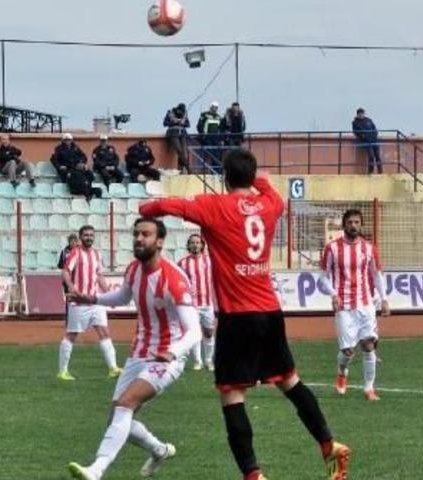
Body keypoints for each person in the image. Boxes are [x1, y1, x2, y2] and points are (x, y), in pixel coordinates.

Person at [140, 149, 350, 480]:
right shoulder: (269, 205)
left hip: (238, 316)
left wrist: (146, 208)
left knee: (232, 394)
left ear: (224, 178)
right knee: (290, 381)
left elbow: (168, 206)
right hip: (270, 311)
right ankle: (328, 444)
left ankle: (253, 475)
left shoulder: (213, 206)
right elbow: (271, 191)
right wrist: (258, 179)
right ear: (251, 178)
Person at [66, 218, 201, 480]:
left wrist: (173, 352)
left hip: (166, 358)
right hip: (138, 353)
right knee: (117, 417)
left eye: (146, 234)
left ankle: (96, 469)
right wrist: (92, 298)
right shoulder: (133, 269)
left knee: (126, 404)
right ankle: (159, 449)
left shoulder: (174, 279)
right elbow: (122, 297)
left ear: (160, 241)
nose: (139, 239)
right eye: (136, 234)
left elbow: (194, 330)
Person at [319, 209, 389, 401]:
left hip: (365, 304)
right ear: (344, 225)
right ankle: (342, 372)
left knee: (368, 345)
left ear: (361, 224)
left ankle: (369, 389)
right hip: (344, 306)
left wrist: (384, 298)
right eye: (350, 222)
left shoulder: (369, 248)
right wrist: (333, 293)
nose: (353, 226)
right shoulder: (332, 248)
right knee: (347, 351)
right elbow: (323, 278)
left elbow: (377, 275)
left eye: (357, 222)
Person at [58, 225, 121, 381]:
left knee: (104, 332)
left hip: (95, 301)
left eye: (91, 235)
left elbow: (99, 276)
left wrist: (109, 295)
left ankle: (113, 368)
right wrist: (72, 288)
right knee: (71, 335)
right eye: (86, 235)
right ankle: (62, 371)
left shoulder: (96, 254)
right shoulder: (75, 253)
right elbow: (65, 271)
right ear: (80, 237)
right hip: (79, 302)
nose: (89, 237)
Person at [177, 233, 216, 371]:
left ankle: (208, 360)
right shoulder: (182, 263)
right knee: (194, 332)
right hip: (191, 304)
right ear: (188, 245)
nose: (195, 245)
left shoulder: (210, 261)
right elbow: (178, 282)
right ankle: (198, 361)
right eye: (192, 242)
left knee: (209, 332)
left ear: (202, 245)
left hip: (207, 303)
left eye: (197, 242)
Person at [351, 108, 382, 174]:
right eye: (360, 114)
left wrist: (375, 134)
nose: (362, 115)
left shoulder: (369, 120)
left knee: (378, 156)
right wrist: (363, 136)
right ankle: (370, 172)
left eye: (363, 113)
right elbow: (356, 132)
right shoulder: (355, 122)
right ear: (357, 114)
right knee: (371, 156)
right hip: (366, 142)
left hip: (374, 140)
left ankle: (380, 172)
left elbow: (374, 128)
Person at [163, 103, 191, 173]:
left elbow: (188, 124)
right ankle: (188, 168)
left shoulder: (184, 114)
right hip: (173, 132)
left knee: (185, 153)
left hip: (182, 133)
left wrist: (182, 123)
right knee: (179, 151)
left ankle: (182, 168)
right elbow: (165, 123)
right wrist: (174, 122)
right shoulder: (170, 113)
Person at [197, 101, 223, 169]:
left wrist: (221, 139)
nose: (214, 109)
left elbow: (221, 128)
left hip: (216, 139)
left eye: (216, 107)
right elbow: (199, 126)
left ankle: (216, 171)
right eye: (213, 107)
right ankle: (209, 170)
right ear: (211, 107)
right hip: (207, 138)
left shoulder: (219, 117)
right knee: (209, 154)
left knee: (217, 155)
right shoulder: (204, 115)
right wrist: (203, 136)